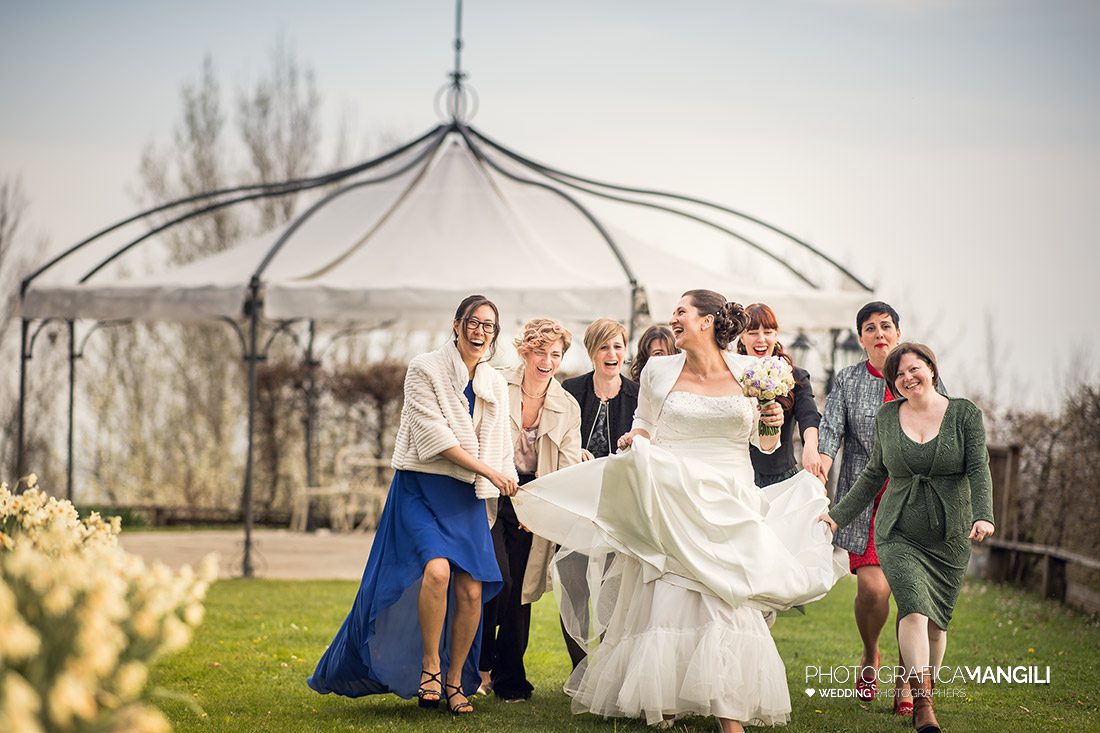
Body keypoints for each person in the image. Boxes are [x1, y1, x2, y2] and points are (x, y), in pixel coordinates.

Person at [514, 290, 846, 732]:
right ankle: (663, 697)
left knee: (727, 595)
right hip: (672, 491)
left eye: (682, 312)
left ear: (707, 321)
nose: (674, 319)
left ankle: (731, 710)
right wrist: (637, 440)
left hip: (729, 492)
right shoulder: (658, 369)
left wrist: (770, 420)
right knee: (670, 593)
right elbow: (644, 424)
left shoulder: (752, 370)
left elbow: (763, 442)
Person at [307, 295, 519, 716]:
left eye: (489, 326)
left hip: (467, 495)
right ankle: (430, 669)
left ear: (495, 334)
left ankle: (458, 681)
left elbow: (500, 447)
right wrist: (490, 473)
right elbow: (434, 440)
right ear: (456, 325)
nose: (480, 331)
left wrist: (500, 479)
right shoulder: (424, 369)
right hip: (421, 489)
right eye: (473, 323)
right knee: (437, 572)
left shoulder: (494, 383)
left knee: (473, 589)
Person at [819, 343, 994, 733]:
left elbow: (979, 469)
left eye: (913, 369)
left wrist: (984, 514)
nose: (907, 378)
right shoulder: (887, 416)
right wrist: (837, 517)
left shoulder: (963, 414)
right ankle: (922, 704)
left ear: (931, 369)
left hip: (948, 534)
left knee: (936, 624)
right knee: (913, 609)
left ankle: (925, 685)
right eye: (898, 375)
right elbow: (873, 473)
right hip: (897, 531)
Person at [816, 300, 916, 712]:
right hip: (866, 498)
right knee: (874, 590)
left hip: (913, 499)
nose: (879, 334)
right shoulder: (849, 379)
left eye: (886, 326)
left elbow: (945, 425)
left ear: (898, 332)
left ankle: (908, 683)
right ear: (861, 339)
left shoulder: (918, 375)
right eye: (870, 328)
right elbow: (832, 425)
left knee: (913, 596)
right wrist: (821, 458)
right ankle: (871, 651)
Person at [478, 318, 582, 702]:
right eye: (540, 352)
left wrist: (535, 508)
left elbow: (569, 467)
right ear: (524, 351)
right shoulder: (495, 384)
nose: (548, 361)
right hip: (489, 495)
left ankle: (510, 680)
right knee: (496, 582)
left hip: (535, 504)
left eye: (555, 354)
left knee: (522, 593)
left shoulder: (566, 406)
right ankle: (480, 665)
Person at [735, 303, 824, 487]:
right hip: (738, 476)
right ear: (742, 337)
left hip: (780, 476)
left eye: (767, 332)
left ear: (776, 335)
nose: (761, 339)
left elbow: (809, 416)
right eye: (753, 333)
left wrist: (810, 446)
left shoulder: (795, 376)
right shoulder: (730, 376)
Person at [563, 318, 640, 463]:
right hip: (577, 476)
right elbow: (559, 437)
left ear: (625, 350)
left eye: (617, 346)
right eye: (603, 347)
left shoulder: (638, 395)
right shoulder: (571, 390)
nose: (612, 354)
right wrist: (574, 450)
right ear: (591, 352)